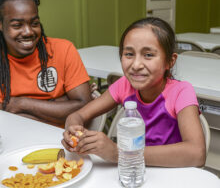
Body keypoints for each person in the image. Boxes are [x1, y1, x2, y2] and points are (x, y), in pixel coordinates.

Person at [62, 17, 206, 167]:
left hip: (172, 174)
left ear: (170, 61)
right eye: (129, 54)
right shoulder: (124, 84)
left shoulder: (181, 92)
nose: (136, 65)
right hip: (133, 170)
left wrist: (119, 153)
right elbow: (77, 115)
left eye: (148, 55)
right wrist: (73, 129)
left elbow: (197, 153)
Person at [0, 0, 92, 127]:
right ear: (0, 24)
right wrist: (59, 104)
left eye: (34, 23)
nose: (28, 32)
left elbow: (84, 107)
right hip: (13, 140)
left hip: (64, 140)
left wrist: (21, 103)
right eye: (17, 25)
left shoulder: (64, 49)